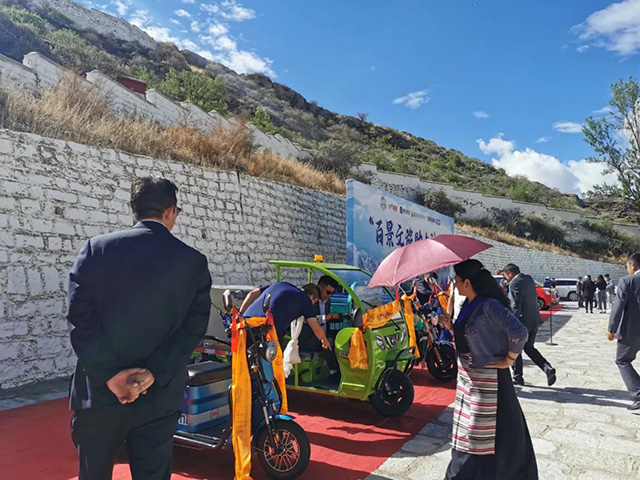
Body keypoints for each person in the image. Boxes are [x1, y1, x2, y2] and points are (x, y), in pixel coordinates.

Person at [67, 177, 212, 480]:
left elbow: (79, 319)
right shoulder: (192, 262)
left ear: (135, 210)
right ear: (170, 211)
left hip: (100, 395)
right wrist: (153, 373)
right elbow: (193, 329)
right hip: (158, 397)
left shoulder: (96, 250)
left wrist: (109, 375)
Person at [439, 259, 537, 480]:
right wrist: (450, 326)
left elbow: (520, 332)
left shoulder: (489, 305)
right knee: (469, 429)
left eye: (457, 281)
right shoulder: (468, 304)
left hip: (487, 379)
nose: (455, 284)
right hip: (468, 377)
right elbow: (467, 336)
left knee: (479, 431)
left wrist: (509, 359)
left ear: (467, 282)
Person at [502, 264, 556, 386]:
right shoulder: (529, 279)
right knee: (529, 347)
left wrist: (511, 323)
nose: (505, 278)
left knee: (514, 348)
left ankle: (518, 377)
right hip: (534, 320)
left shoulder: (514, 283)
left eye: (505, 275)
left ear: (510, 273)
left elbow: (515, 305)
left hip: (521, 322)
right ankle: (547, 368)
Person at [240, 282, 331, 350]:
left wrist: (240, 315)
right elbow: (315, 326)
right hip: (267, 329)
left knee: (242, 359)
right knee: (274, 363)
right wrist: (324, 340)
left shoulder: (280, 284)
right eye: (314, 302)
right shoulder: (305, 300)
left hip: (245, 323)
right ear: (312, 297)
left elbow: (252, 293)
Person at [607, 253, 640, 411]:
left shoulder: (627, 281)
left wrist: (611, 328)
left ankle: (638, 394)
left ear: (633, 265)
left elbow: (618, 306)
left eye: (627, 266)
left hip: (631, 331)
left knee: (622, 360)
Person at [298, 275, 341, 378]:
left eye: (332, 293)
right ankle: (333, 372)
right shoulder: (310, 301)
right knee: (327, 341)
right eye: (328, 292)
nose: (329, 296)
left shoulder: (326, 302)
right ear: (320, 287)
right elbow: (309, 319)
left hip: (323, 333)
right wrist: (327, 317)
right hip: (308, 338)